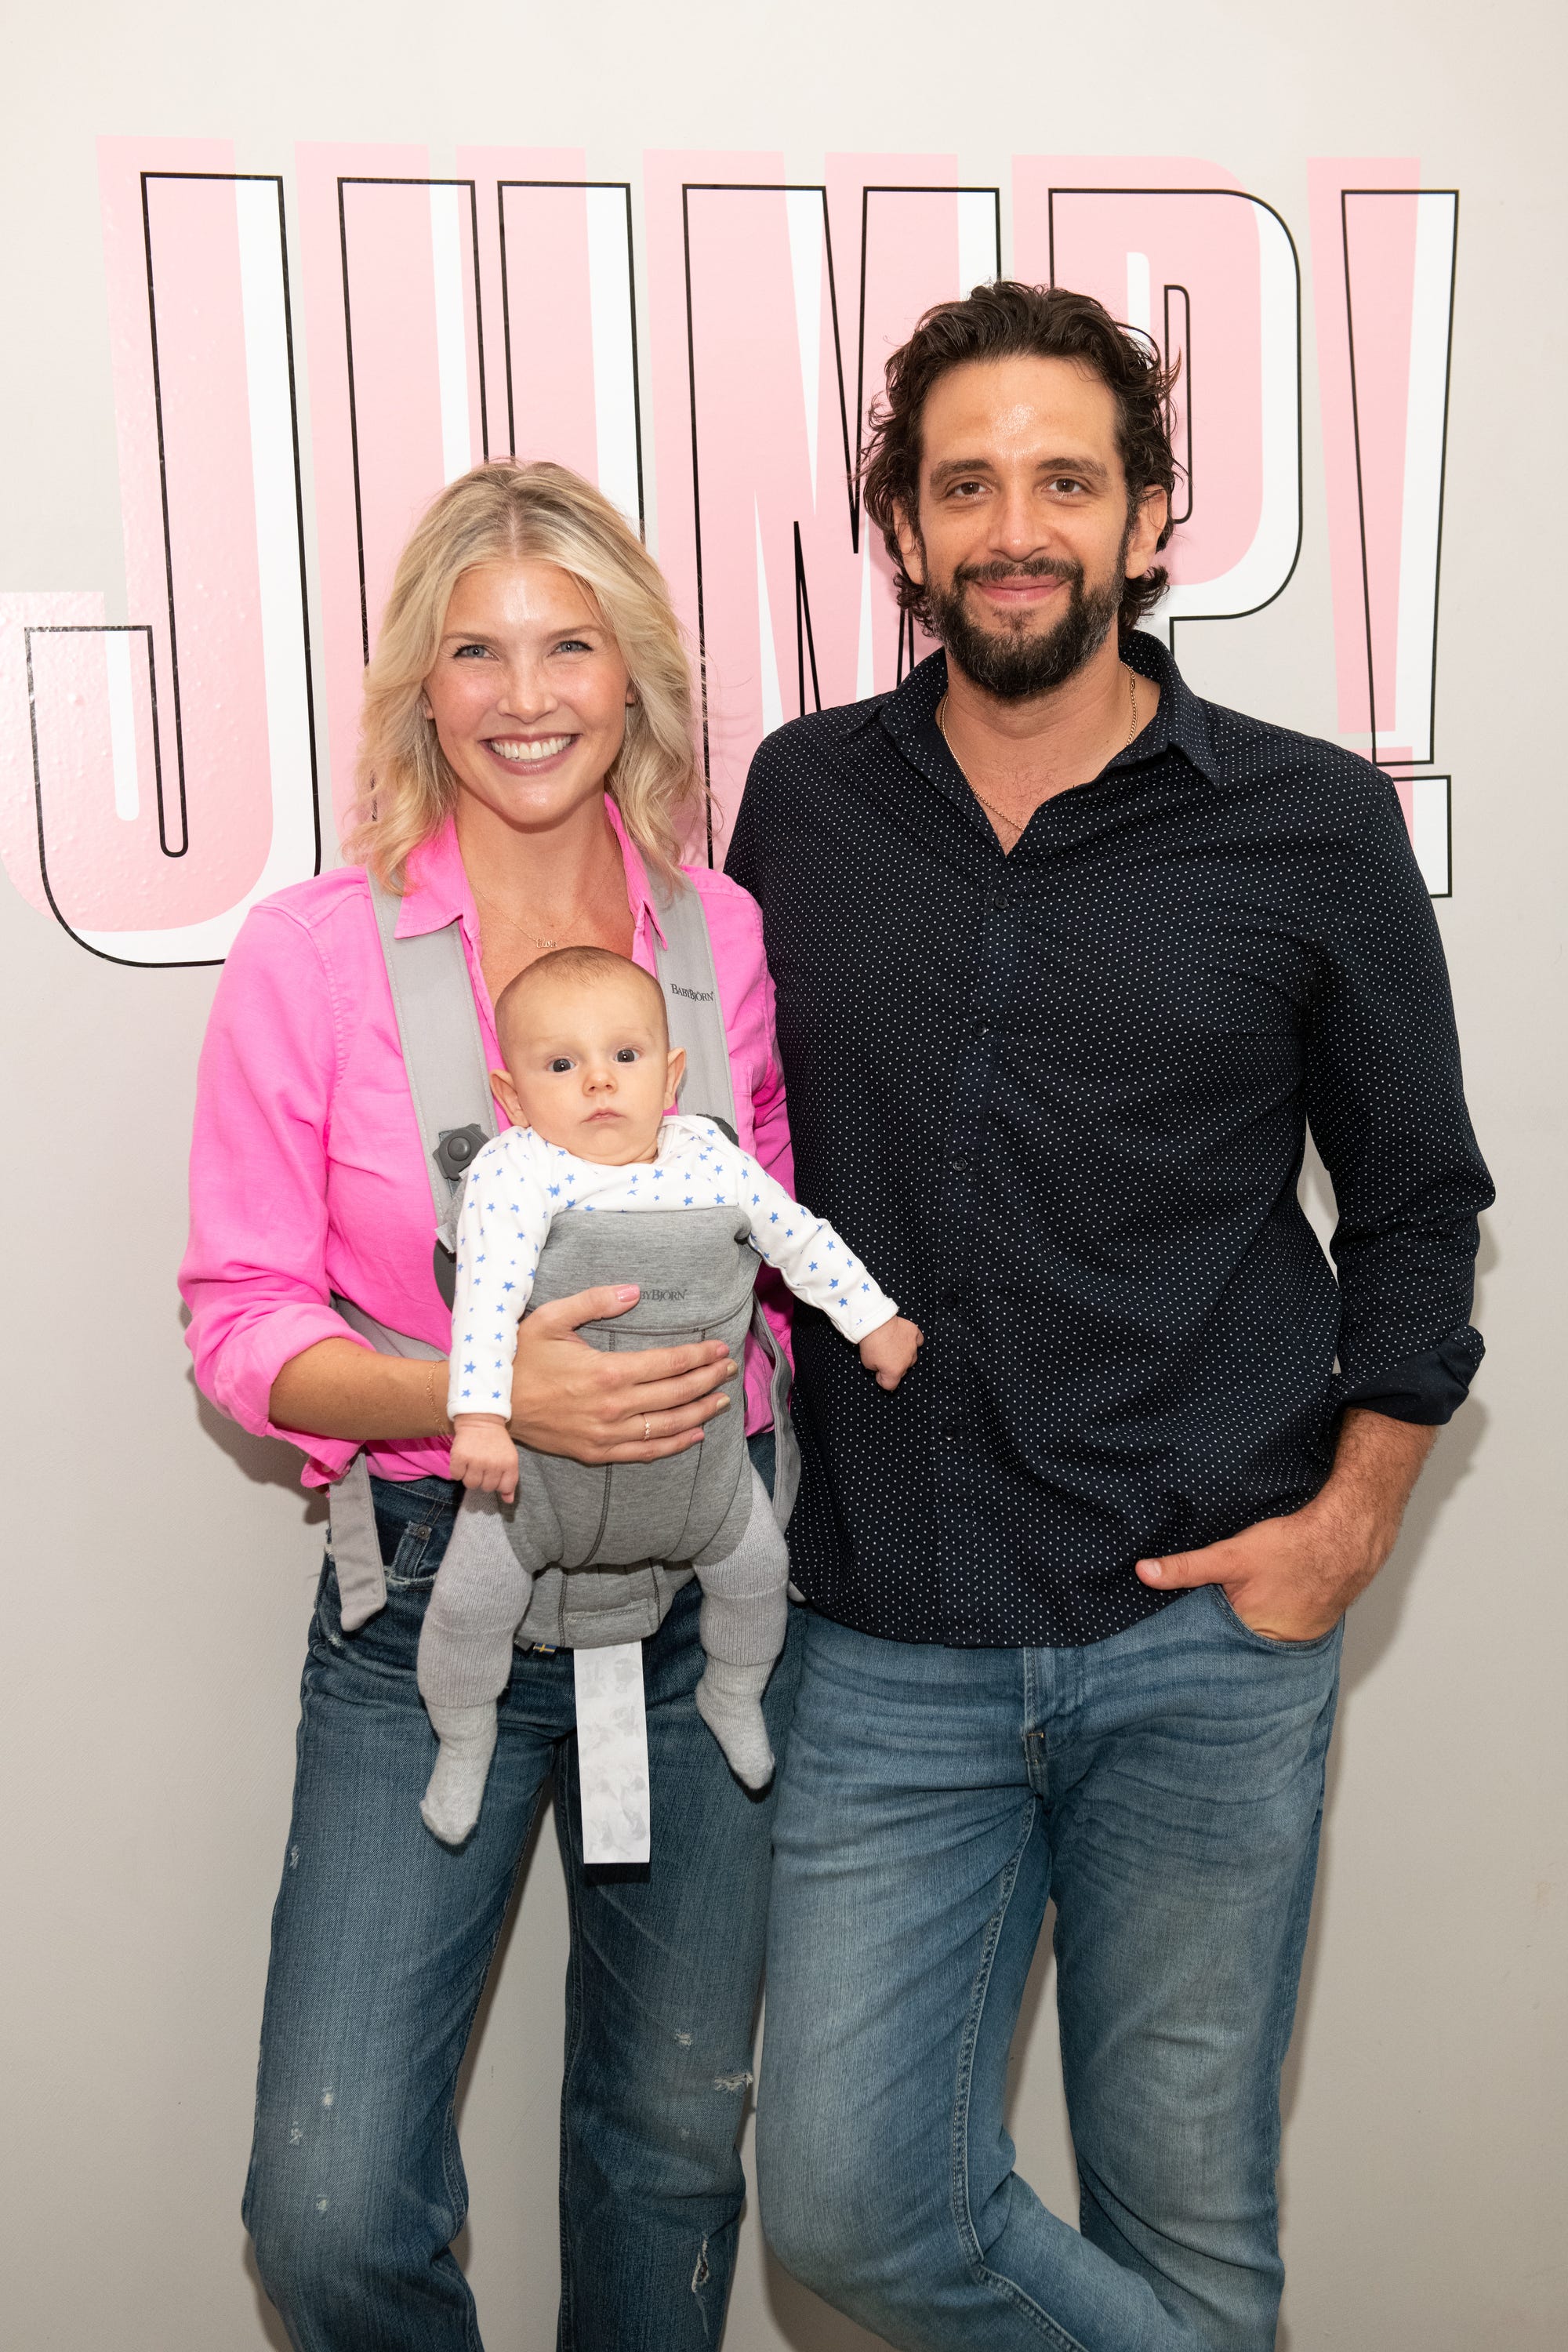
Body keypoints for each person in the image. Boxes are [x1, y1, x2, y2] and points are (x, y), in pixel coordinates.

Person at [728, 285, 1494, 2352]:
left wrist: (1348, 1526)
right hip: (886, 1637)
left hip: (1205, 1644)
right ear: (901, 527)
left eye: (1066, 481)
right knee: (850, 2207)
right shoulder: (801, 802)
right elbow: (720, 1145)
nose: (1016, 529)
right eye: (966, 484)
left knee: (1190, 2222)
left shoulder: (1311, 822)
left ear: (1150, 519)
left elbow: (1419, 1205)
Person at [181, 459, 801, 2350]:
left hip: (701, 1602)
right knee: (328, 2210)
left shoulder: (719, 933)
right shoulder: (311, 951)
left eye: (568, 646)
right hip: (427, 1601)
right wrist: (484, 1388)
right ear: (420, 689)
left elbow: (769, 1223)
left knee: (668, 2158)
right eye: (476, 652)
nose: (525, 696)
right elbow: (240, 1321)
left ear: (634, 675)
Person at [420, 942, 917, 1839]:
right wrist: (482, 1419)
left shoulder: (708, 1159)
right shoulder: (516, 1171)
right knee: (468, 1603)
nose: (598, 1082)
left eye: (625, 1055)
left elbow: (799, 1240)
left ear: (671, 1073)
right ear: (512, 1096)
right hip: (537, 1490)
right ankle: (463, 1736)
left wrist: (872, 1319)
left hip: (701, 1477)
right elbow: (486, 1300)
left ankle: (733, 1692)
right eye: (560, 1065)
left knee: (758, 1573)